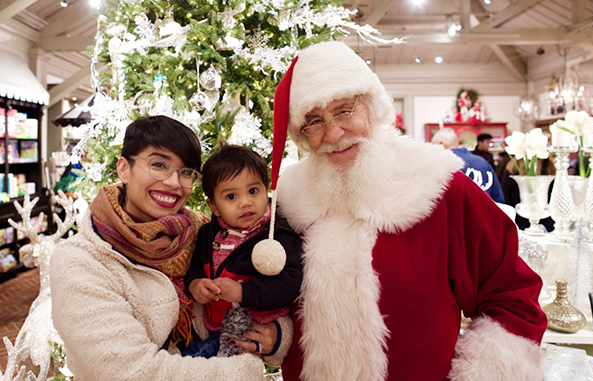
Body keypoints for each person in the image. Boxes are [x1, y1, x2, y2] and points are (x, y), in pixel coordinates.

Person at [272, 42, 547, 381]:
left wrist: (483, 372)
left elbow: (512, 298)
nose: (333, 133)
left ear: (372, 108)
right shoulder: (287, 202)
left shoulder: (440, 187)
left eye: (344, 111)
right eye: (314, 121)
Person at [50, 116, 285, 380]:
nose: (174, 182)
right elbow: (126, 372)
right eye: (159, 165)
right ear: (124, 169)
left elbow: (266, 295)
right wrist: (245, 370)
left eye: (186, 172)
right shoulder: (81, 261)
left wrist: (277, 336)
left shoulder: (203, 232)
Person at [183, 144, 302, 360]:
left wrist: (243, 293)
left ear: (267, 190)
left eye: (253, 191)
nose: (245, 202)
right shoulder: (208, 233)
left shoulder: (278, 234)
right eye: (231, 197)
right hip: (211, 326)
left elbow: (292, 284)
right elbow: (196, 268)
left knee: (194, 360)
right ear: (214, 206)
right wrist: (195, 284)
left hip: (252, 331)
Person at [432, 127, 505, 203]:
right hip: (483, 212)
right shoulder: (482, 162)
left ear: (441, 144)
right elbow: (498, 197)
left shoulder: (439, 164)